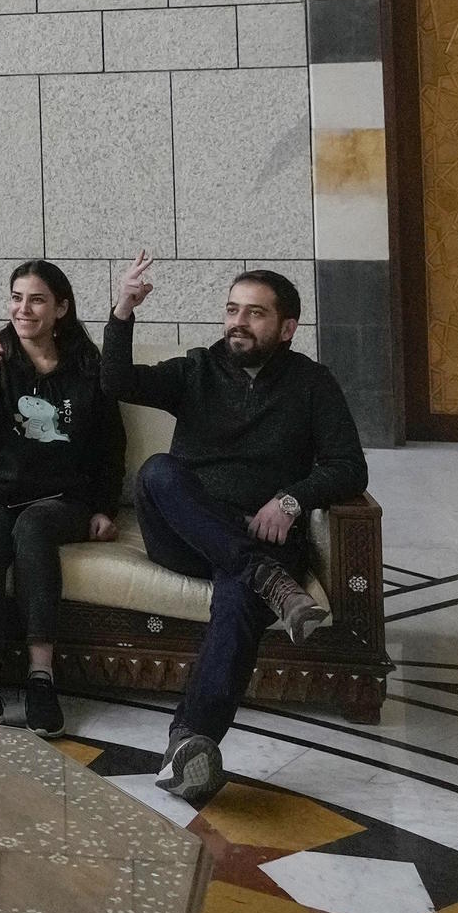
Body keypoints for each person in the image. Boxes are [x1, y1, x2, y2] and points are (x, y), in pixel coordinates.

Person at [104, 253, 368, 806]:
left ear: (287, 327)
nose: (238, 323)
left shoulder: (312, 384)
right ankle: (264, 576)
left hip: (267, 538)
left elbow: (349, 467)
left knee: (238, 598)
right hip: (185, 534)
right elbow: (117, 380)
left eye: (255, 313)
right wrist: (124, 308)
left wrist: (291, 499)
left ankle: (190, 743)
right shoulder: (196, 370)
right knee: (158, 473)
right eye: (231, 310)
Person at [0, 262, 123, 736]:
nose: (22, 309)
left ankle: (40, 677)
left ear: (61, 308)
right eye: (15, 298)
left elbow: (112, 446)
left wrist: (104, 508)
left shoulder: (88, 367)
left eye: (35, 300)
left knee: (32, 529)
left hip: (61, 497)